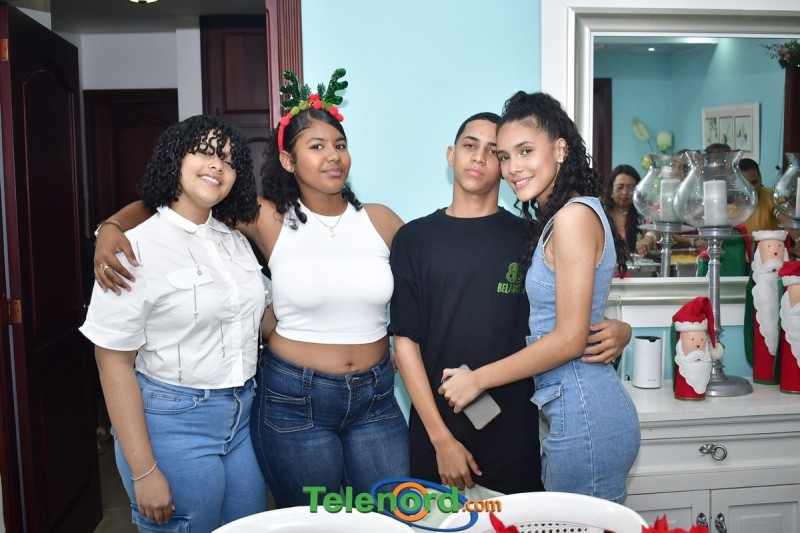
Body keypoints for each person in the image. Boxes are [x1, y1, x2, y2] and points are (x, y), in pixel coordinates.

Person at [91, 69, 410, 509]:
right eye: (317, 146)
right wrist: (111, 227)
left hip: (375, 396)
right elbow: (172, 201)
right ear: (288, 161)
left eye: (340, 145)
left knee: (392, 512)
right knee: (314, 518)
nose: (333, 156)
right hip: (295, 397)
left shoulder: (381, 219)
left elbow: (424, 284)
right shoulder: (267, 218)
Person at [389, 112, 632, 498]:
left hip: (514, 435)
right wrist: (441, 440)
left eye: (494, 152)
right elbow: (405, 344)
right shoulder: (413, 238)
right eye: (470, 145)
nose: (479, 157)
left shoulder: (531, 237)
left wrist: (618, 329)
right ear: (451, 154)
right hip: (438, 432)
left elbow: (562, 314)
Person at [81, 115, 271, 531]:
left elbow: (262, 317)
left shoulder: (235, 242)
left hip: (241, 416)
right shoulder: (134, 248)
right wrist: (144, 471)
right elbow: (112, 362)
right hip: (173, 422)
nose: (217, 164)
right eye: (204, 152)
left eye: (229, 160)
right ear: (175, 160)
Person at [603, 164, 658, 256]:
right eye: (620, 187)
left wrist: (648, 238)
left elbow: (656, 229)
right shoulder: (601, 212)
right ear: (611, 190)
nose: (625, 192)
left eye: (631, 188)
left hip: (637, 264)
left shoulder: (642, 211)